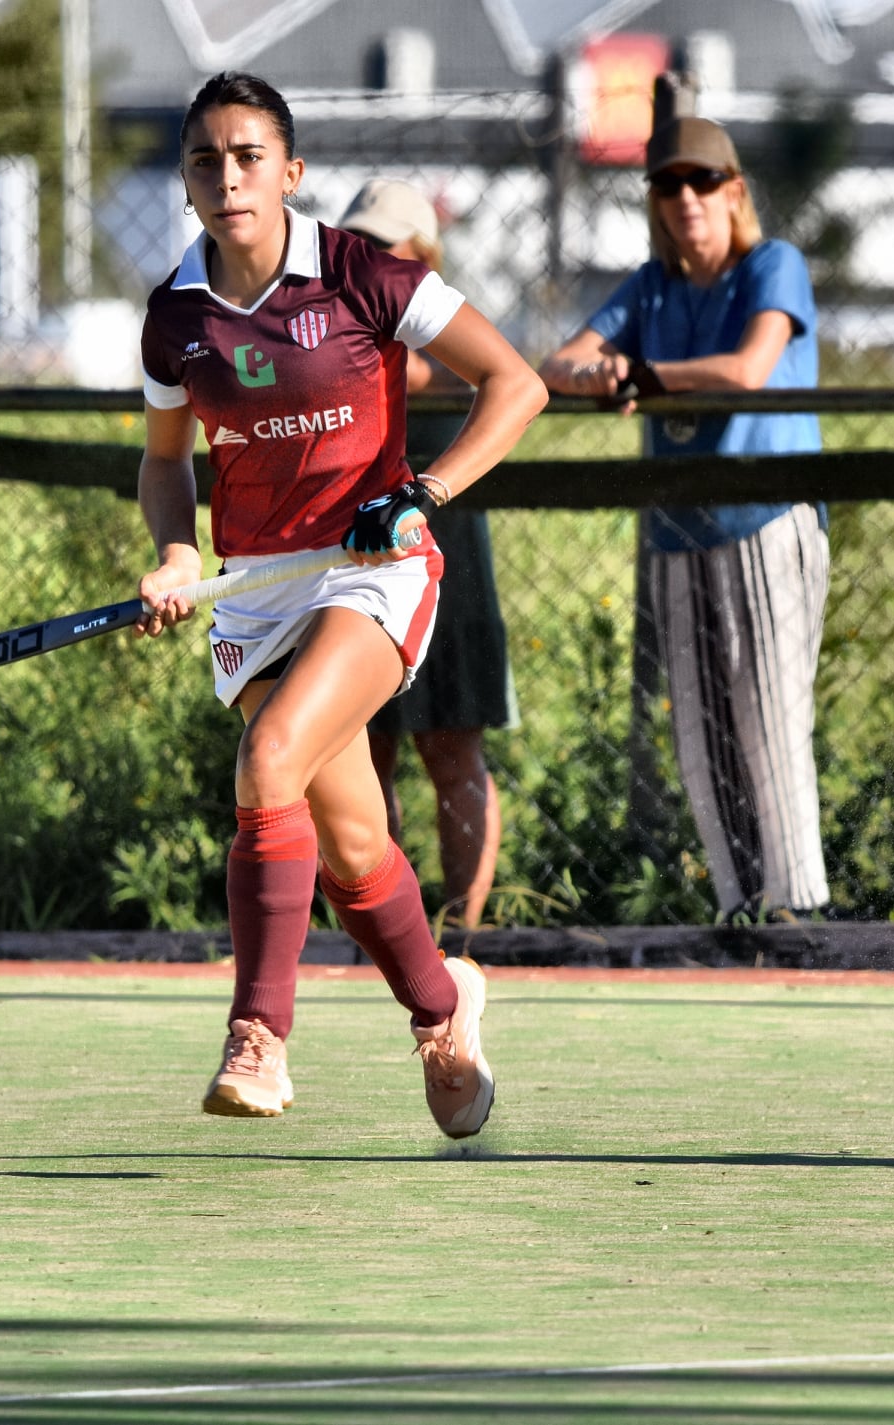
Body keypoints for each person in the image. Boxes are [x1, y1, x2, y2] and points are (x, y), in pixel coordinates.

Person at [133, 71, 546, 1137]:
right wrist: (178, 551)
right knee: (353, 845)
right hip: (255, 591)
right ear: (184, 184)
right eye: (205, 161)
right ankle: (443, 1008)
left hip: (374, 570)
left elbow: (517, 385)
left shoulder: (365, 274)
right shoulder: (174, 316)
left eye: (248, 156)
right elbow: (166, 462)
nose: (227, 178)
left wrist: (424, 493)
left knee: (269, 759)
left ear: (290, 172)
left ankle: (258, 1036)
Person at [539, 111, 831, 921]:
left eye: (702, 180)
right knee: (702, 737)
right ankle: (738, 906)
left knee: (769, 718)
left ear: (733, 191)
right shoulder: (652, 284)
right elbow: (559, 362)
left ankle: (795, 911)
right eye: (667, 183)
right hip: (678, 524)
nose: (685, 196)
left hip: (765, 515)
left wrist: (641, 372)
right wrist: (601, 374)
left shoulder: (772, 263)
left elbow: (746, 369)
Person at [338, 179, 516, 929]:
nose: (365, 257)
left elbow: (495, 373)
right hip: (350, 556)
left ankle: (463, 935)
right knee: (361, 751)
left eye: (382, 245)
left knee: (452, 749)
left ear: (422, 256)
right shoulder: (329, 320)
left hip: (449, 557)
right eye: (356, 242)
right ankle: (381, 928)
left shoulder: (444, 319)